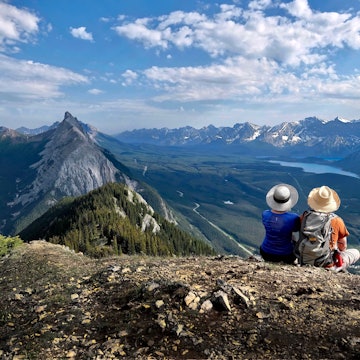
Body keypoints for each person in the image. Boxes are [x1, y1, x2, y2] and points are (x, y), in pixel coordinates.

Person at [303, 185, 360, 271]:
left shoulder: (304, 217)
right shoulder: (337, 220)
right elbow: (343, 246)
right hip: (328, 264)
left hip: (304, 260)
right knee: (356, 252)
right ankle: (337, 268)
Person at [260, 184, 300, 264]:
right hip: (286, 255)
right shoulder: (293, 218)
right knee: (295, 239)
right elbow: (296, 229)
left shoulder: (265, 214)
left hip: (266, 252)